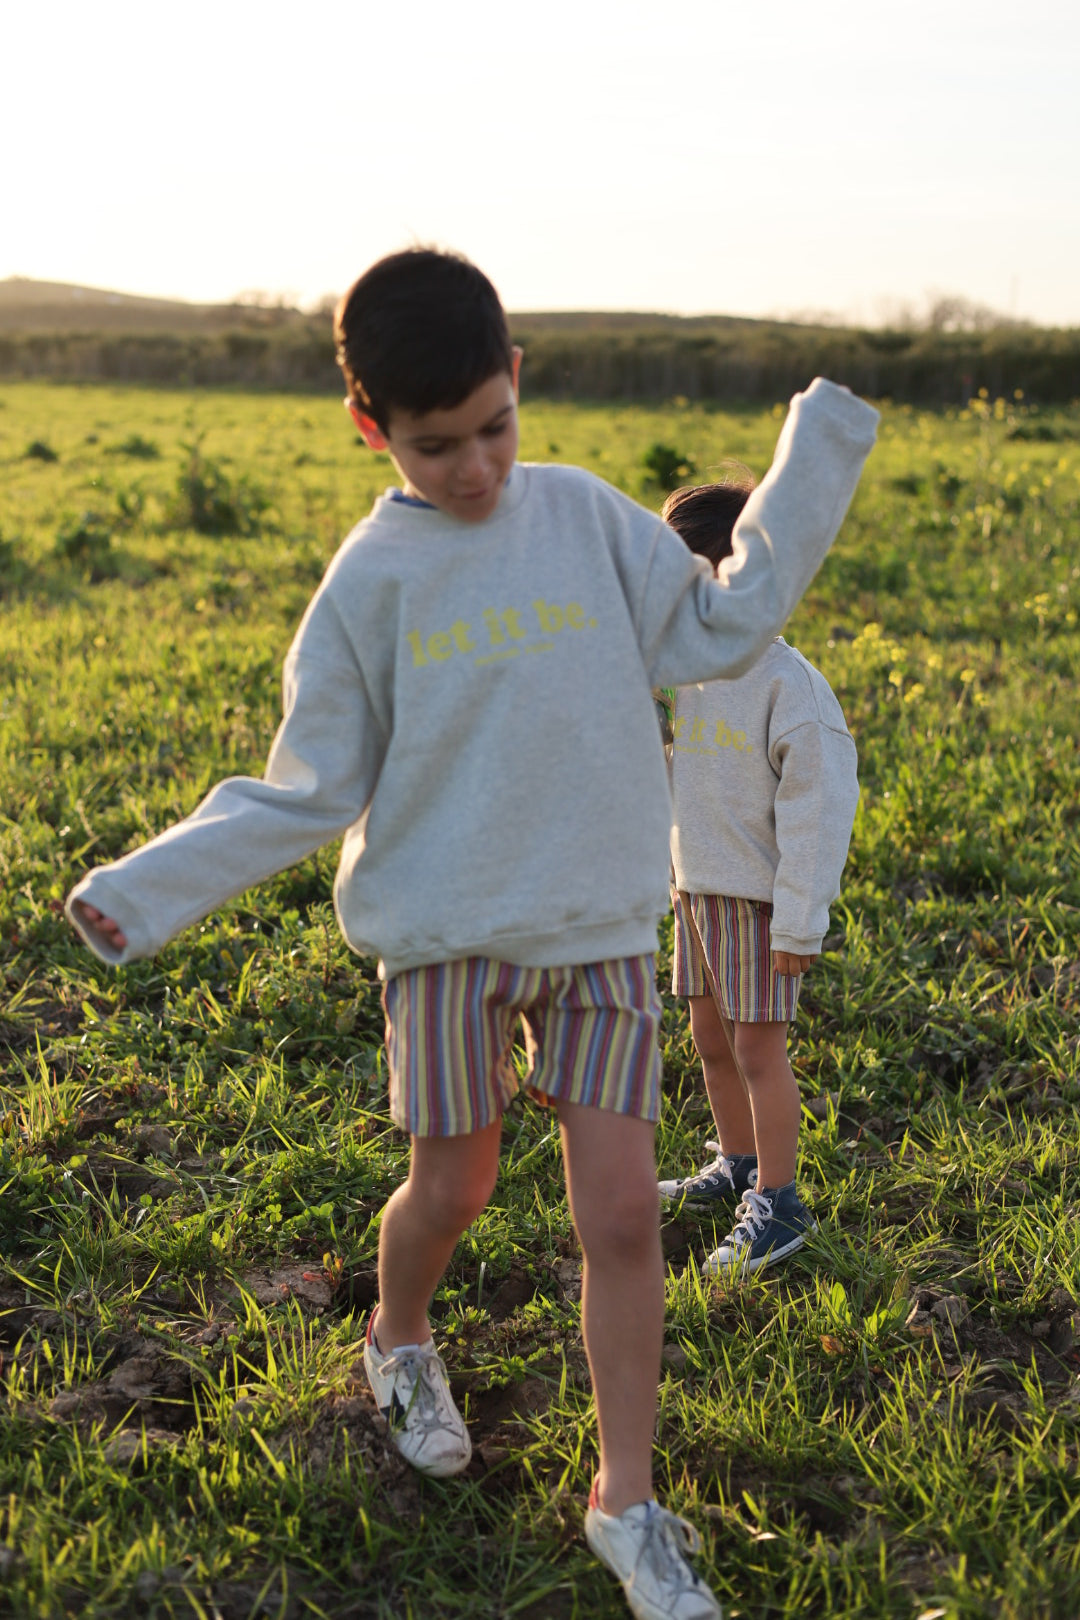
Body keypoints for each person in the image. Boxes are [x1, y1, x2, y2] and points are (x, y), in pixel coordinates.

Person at [66, 247, 877, 1620]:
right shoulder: (371, 584)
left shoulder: (590, 522)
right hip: (443, 931)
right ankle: (399, 1334)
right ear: (371, 427)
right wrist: (148, 889)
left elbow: (728, 626)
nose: (477, 469)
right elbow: (309, 784)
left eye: (495, 426)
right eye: (437, 445)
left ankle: (629, 1498)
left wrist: (819, 451)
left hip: (602, 922)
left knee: (622, 1214)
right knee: (455, 1187)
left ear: (521, 381)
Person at [655, 474, 861, 1279]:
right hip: (696, 884)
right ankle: (736, 1164)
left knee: (756, 1048)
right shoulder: (683, 670)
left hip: (756, 898)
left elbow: (818, 811)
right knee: (710, 1039)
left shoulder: (790, 688)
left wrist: (800, 921)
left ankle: (780, 1203)